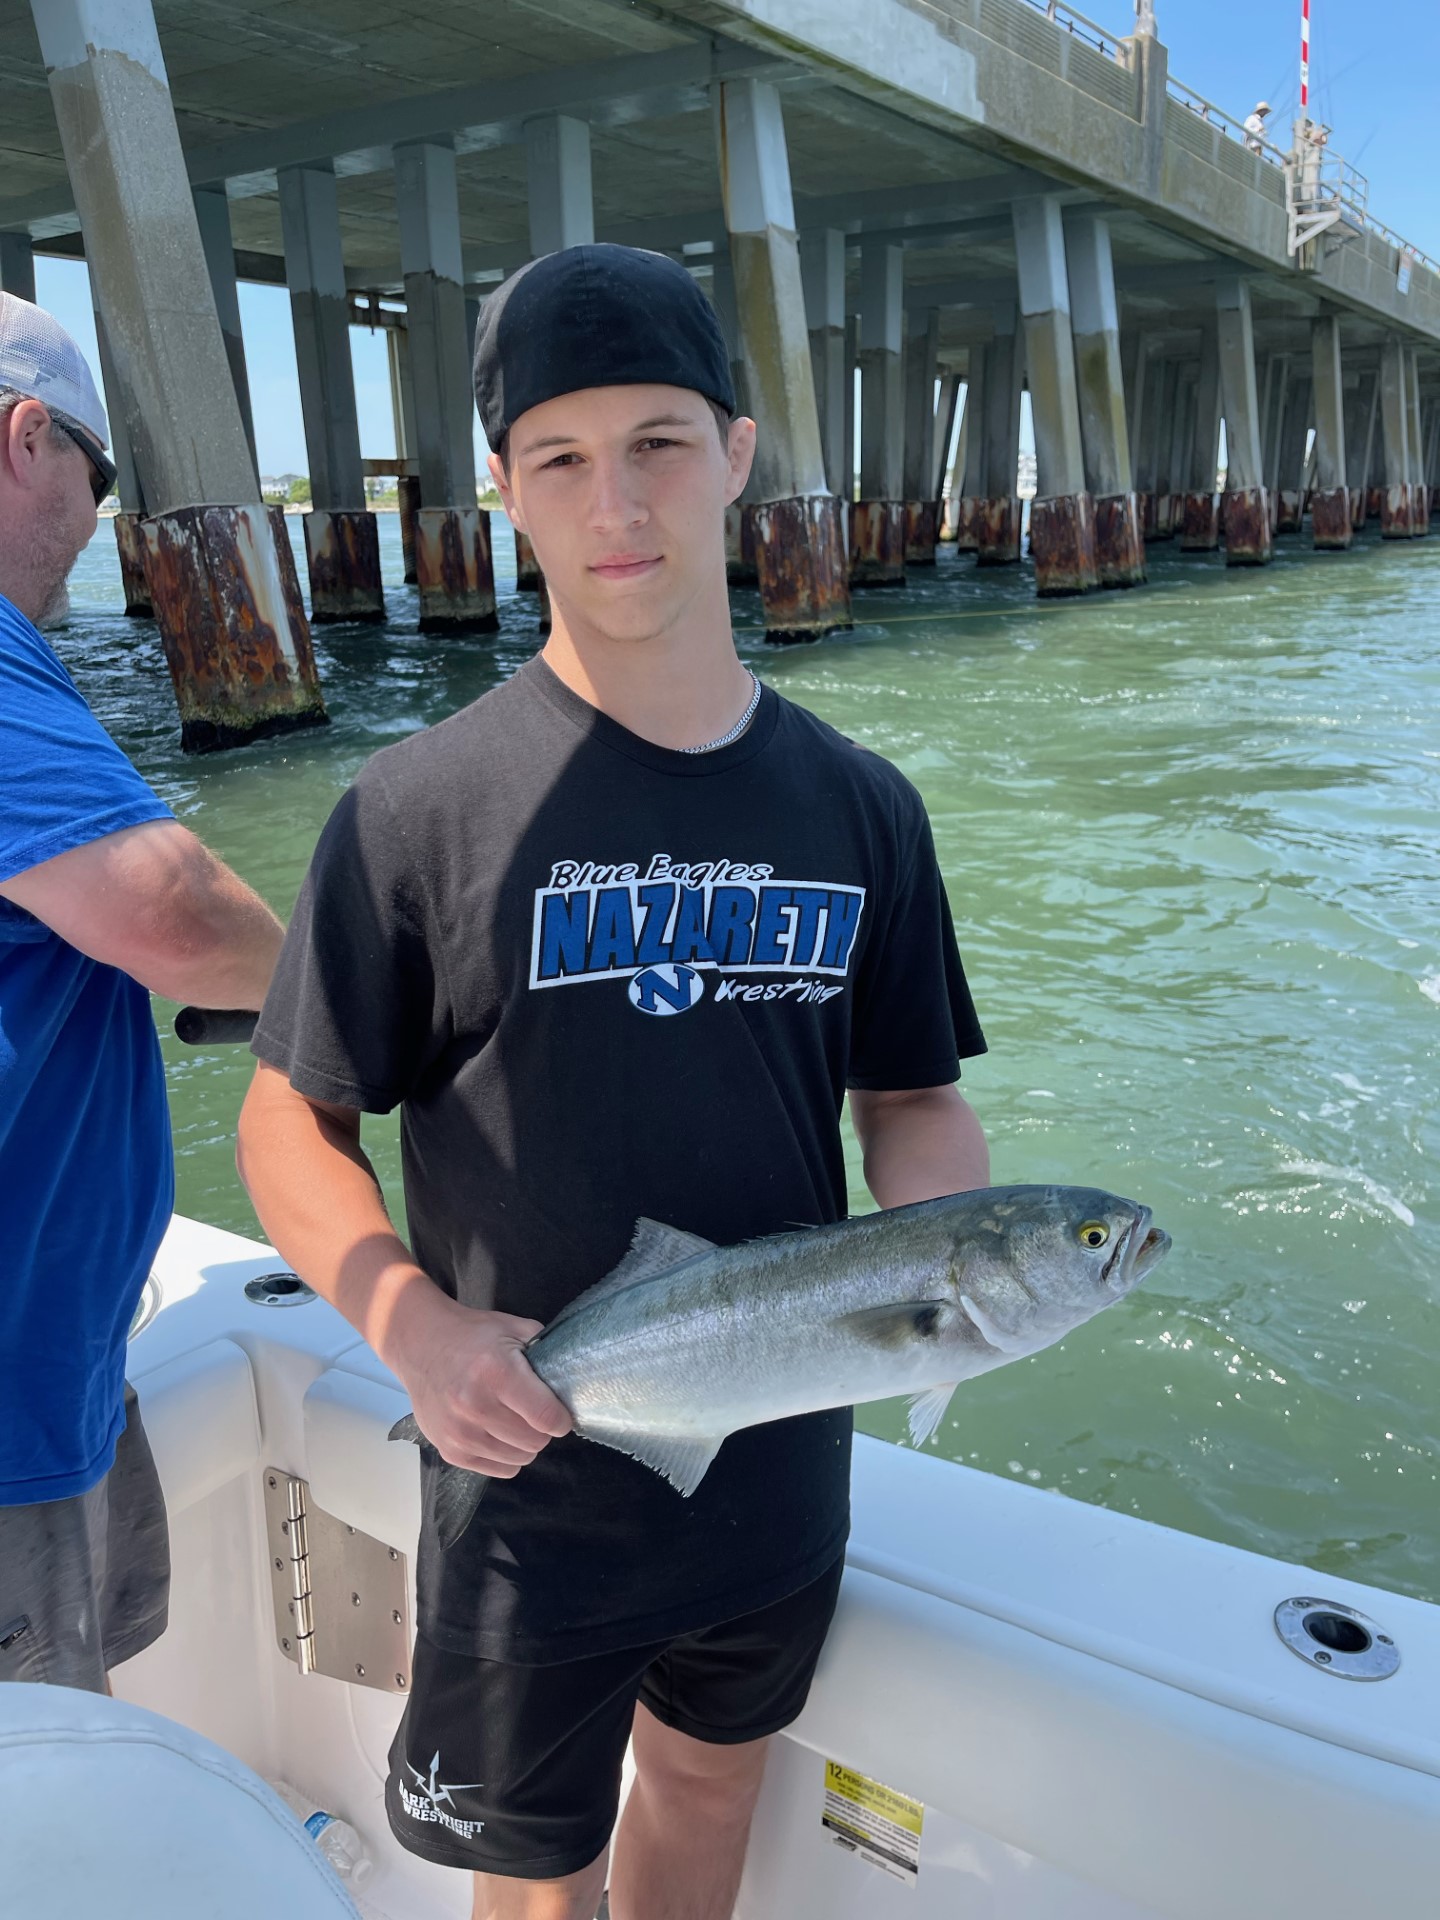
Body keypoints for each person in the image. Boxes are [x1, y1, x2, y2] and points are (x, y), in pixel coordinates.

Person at [236, 243, 990, 1920]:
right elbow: (289, 1116)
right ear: (504, 491)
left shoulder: (863, 806)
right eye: (561, 459)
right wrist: (413, 1328)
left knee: (711, 1796)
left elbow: (913, 1098)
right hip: (525, 1489)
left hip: (779, 1454)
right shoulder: (414, 811)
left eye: (658, 443)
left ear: (737, 453)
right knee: (533, 1883)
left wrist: (958, 1263)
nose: (618, 503)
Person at [0, 293, 286, 1695]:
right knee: (44, 1781)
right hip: (8, 1404)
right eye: (97, 476)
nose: (99, 517)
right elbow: (167, 914)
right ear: (25, 439)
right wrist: (359, 992)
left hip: (51, 1355)